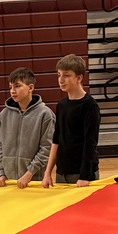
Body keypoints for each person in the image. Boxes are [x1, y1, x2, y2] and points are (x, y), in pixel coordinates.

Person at [42, 54, 100, 188]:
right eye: (59, 75)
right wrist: (47, 173)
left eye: (66, 75)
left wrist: (84, 176)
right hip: (62, 172)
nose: (61, 80)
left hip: (81, 174)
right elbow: (56, 140)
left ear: (79, 78)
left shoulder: (89, 105)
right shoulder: (61, 105)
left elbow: (90, 142)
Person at [0, 67, 54, 188]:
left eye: (17, 86)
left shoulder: (45, 114)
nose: (12, 91)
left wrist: (29, 173)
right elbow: (1, 146)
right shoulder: (4, 115)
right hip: (10, 182)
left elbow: (47, 148)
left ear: (30, 88)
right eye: (10, 87)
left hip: (34, 181)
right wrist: (1, 173)